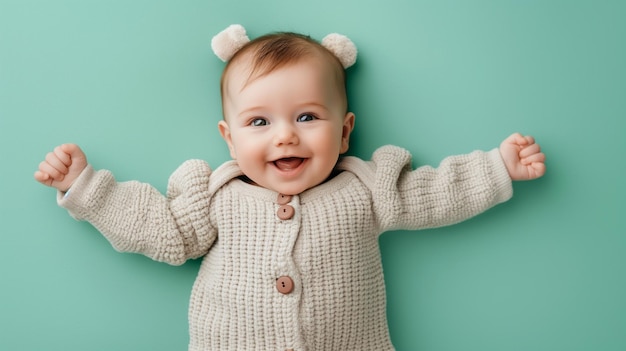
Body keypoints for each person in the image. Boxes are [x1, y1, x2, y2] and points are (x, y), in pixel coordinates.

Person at [34, 29, 546, 351]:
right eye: (259, 121)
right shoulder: (217, 195)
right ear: (229, 138)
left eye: (307, 116)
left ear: (345, 131)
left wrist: (498, 167)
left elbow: (435, 194)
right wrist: (87, 187)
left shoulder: (365, 188)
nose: (285, 135)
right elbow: (160, 231)